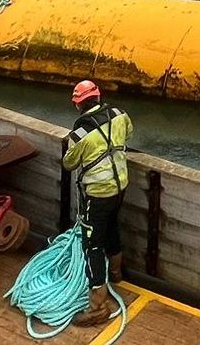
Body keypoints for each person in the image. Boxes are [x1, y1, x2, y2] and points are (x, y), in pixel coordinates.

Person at [62, 80, 133, 326]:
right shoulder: (119, 114)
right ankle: (116, 274)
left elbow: (69, 163)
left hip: (98, 194)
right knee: (112, 228)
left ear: (78, 105)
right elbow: (128, 134)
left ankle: (97, 307)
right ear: (98, 96)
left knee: (92, 246)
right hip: (120, 186)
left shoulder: (80, 134)